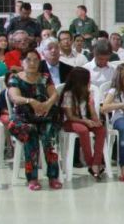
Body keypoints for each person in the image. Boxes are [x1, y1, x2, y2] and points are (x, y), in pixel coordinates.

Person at [6, 49, 62, 190]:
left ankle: (53, 176)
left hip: (44, 115)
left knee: (48, 133)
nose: (32, 63)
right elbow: (15, 97)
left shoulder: (44, 77)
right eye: (28, 60)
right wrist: (30, 101)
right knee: (30, 132)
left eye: (36, 60)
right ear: (21, 62)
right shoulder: (15, 78)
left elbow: (54, 94)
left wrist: (47, 104)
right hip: (23, 118)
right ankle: (32, 178)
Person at [60, 66, 107, 181]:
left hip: (86, 120)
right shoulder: (68, 94)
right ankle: (90, 163)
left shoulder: (88, 93)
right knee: (83, 130)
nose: (89, 83)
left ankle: (96, 162)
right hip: (71, 122)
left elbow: (92, 113)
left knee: (101, 130)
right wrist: (85, 121)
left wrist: (96, 120)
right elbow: (70, 116)